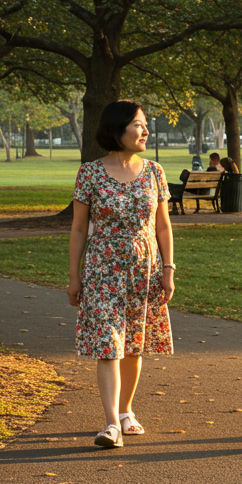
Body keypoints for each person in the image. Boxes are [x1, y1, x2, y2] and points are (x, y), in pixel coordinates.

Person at [69, 100, 176, 449]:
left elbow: (162, 226)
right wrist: (74, 276)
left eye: (146, 125)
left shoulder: (154, 172)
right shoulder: (90, 173)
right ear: (118, 129)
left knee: (133, 345)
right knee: (108, 345)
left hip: (144, 268)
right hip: (102, 266)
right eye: (138, 125)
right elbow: (79, 229)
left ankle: (126, 410)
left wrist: (169, 269)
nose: (145, 131)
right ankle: (111, 423)